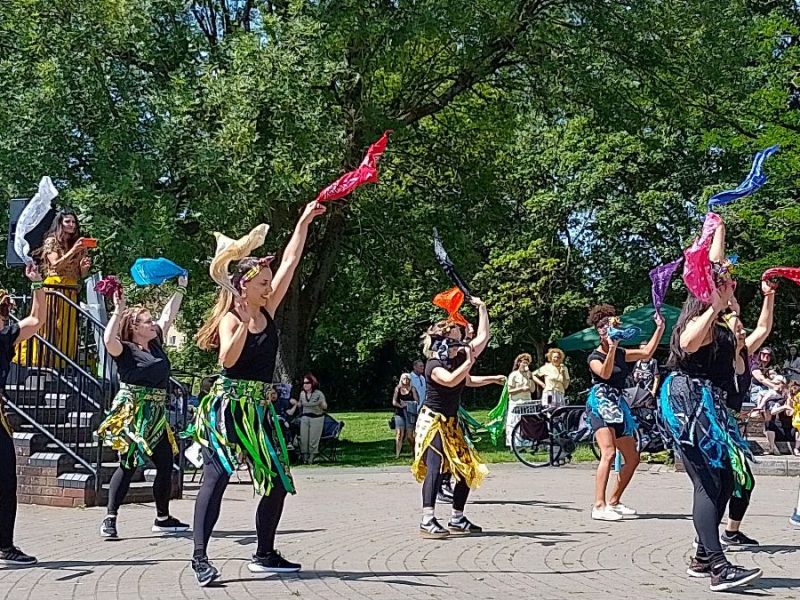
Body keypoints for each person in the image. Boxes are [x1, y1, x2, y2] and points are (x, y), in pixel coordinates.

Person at [189, 201, 325, 586]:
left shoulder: (267, 307)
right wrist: (247, 325)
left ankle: (264, 554)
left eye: (268, 282)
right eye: (262, 282)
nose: (269, 286)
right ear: (243, 285)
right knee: (216, 476)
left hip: (260, 410)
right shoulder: (233, 317)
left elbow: (291, 261)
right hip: (229, 407)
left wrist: (303, 221)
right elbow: (228, 360)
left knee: (278, 480)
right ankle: (200, 557)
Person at [660, 284, 762, 590]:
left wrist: (766, 298)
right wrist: (715, 304)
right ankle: (718, 567)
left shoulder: (723, 329)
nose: (732, 295)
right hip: (688, 403)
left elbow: (760, 331)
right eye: (725, 290)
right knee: (708, 483)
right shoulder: (697, 321)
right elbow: (688, 343)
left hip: (712, 407)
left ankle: (704, 558)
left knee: (727, 481)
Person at [96, 278, 189, 538]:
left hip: (156, 414)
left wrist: (180, 287)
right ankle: (110, 518)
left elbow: (168, 315)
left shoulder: (156, 343)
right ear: (135, 327)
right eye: (147, 322)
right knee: (128, 464)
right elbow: (107, 338)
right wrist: (118, 309)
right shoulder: (124, 349)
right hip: (133, 413)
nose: (153, 324)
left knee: (165, 463)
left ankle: (162, 518)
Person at [413, 295, 491, 538]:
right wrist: (467, 362)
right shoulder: (433, 363)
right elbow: (450, 380)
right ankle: (427, 519)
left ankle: (457, 517)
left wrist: (482, 309)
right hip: (433, 420)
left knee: (469, 467)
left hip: (451, 421)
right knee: (435, 467)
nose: (463, 341)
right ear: (445, 340)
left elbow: (483, 337)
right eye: (457, 336)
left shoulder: (458, 356)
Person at [586, 304, 665, 521]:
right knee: (609, 453)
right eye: (602, 326)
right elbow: (604, 372)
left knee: (632, 457)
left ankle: (614, 501)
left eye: (610, 324)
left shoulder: (621, 352)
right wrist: (611, 349)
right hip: (600, 403)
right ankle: (599, 505)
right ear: (597, 331)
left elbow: (647, 353)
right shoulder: (594, 356)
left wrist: (659, 328)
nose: (606, 329)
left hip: (618, 405)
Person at [719, 281, 775, 547]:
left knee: (741, 480)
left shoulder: (744, 351)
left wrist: (769, 294)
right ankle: (707, 541)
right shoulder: (717, 356)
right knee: (728, 480)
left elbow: (763, 327)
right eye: (735, 323)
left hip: (730, 424)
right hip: (712, 426)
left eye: (741, 323)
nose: (741, 326)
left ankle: (731, 532)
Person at [0, 264, 45, 566]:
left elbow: (37, 320)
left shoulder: (4, 338)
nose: (4, 315)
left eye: (4, 311)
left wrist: (38, 284)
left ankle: (5, 545)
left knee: (6, 482)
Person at [15, 210, 92, 367]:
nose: (72, 225)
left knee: (65, 327)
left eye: (74, 222)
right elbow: (56, 265)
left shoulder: (78, 244)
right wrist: (73, 251)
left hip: (71, 288)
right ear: (60, 224)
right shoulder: (52, 241)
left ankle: (60, 363)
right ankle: (40, 360)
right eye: (68, 222)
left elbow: (81, 275)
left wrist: (84, 268)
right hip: (54, 288)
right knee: (49, 325)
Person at [505, 353, 536, 447]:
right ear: (519, 363)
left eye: (527, 363)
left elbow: (533, 389)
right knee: (514, 422)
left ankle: (526, 441)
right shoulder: (513, 375)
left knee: (527, 422)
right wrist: (521, 389)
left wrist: (530, 378)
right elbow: (509, 391)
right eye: (524, 362)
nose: (526, 365)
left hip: (527, 401)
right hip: (516, 402)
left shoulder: (529, 375)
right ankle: (514, 443)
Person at [298, 373, 327, 464]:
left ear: (312, 383)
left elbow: (325, 406)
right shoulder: (302, 394)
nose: (305, 385)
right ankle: (304, 456)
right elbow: (300, 404)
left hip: (317, 418)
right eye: (304, 383)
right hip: (305, 417)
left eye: (307, 382)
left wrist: (321, 403)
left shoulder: (319, 394)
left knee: (313, 439)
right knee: (304, 438)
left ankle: (312, 457)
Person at [391, 373, 418, 458]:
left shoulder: (412, 389)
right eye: (403, 379)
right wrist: (400, 405)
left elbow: (417, 401)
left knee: (410, 436)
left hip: (410, 414)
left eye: (407, 379)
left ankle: (414, 450)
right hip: (399, 413)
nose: (405, 381)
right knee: (399, 433)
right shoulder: (397, 389)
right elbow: (394, 402)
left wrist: (407, 403)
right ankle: (397, 454)